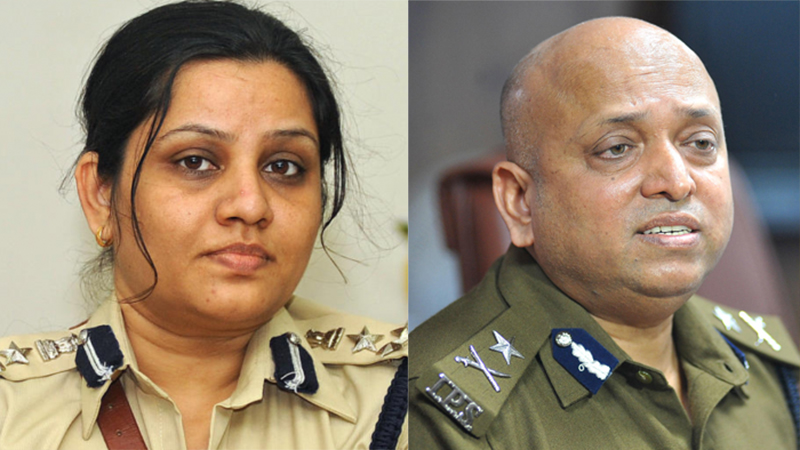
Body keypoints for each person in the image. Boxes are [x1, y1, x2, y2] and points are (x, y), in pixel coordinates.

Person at [0, 2, 407, 449]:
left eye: (283, 166)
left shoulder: (403, 400)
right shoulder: (12, 413)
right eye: (195, 161)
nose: (250, 205)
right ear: (100, 195)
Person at [409, 16, 800, 449]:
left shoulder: (771, 372)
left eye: (701, 143)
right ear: (520, 200)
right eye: (617, 148)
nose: (677, 181)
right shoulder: (435, 414)